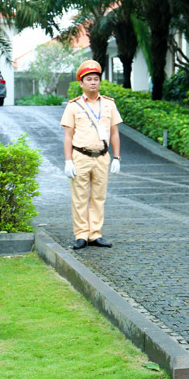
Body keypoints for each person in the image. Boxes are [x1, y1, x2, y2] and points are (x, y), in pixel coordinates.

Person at [61, 60, 122, 249]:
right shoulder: (73, 106)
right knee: (79, 197)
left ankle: (95, 234)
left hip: (102, 157)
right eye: (89, 79)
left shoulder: (109, 105)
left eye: (96, 79)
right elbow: (68, 136)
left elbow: (114, 132)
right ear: (81, 83)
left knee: (98, 197)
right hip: (80, 156)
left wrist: (117, 157)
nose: (93, 82)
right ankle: (81, 235)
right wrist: (68, 161)